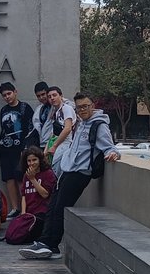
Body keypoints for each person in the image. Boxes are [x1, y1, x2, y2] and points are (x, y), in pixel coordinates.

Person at [19, 94, 121, 261]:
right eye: (79, 107)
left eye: (86, 106)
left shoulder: (98, 125)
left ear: (92, 105)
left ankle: (52, 245)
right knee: (52, 206)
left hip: (80, 173)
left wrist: (113, 154)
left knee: (60, 208)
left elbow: (109, 147)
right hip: (68, 170)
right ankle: (45, 242)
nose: (83, 110)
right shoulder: (81, 123)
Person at [0, 82, 34, 219]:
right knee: (9, 178)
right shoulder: (3, 110)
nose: (7, 97)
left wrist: (25, 148)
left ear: (15, 92)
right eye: (4, 95)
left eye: (9, 93)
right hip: (5, 148)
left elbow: (30, 129)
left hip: (20, 149)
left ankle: (25, 207)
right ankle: (15, 208)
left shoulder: (25, 107)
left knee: (21, 178)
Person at [19, 147, 57, 234]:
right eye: (29, 161)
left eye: (34, 160)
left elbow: (45, 194)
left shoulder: (48, 174)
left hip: (42, 213)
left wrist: (32, 179)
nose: (31, 163)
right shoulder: (26, 175)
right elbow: (24, 195)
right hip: (29, 214)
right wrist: (23, 213)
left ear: (40, 160)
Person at [44, 86, 76, 165]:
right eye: (49, 97)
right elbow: (53, 133)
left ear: (61, 96)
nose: (52, 98)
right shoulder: (55, 112)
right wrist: (46, 150)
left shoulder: (66, 108)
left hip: (66, 144)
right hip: (56, 143)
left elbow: (67, 128)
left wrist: (54, 146)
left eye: (54, 95)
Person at [31, 81, 51, 149]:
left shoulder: (58, 105)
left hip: (56, 142)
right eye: (38, 96)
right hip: (43, 143)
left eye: (43, 94)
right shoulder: (39, 109)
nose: (41, 97)